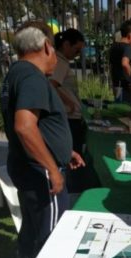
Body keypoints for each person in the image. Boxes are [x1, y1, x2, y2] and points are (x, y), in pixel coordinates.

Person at [0, 21, 85, 258]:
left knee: (33, 222)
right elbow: (25, 126)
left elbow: (39, 126)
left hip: (26, 165)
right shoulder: (31, 76)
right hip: (40, 172)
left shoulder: (16, 73)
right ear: (47, 46)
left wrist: (63, 150)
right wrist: (51, 168)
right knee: (52, 234)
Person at [50, 28, 88, 192]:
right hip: (69, 117)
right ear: (66, 44)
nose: (78, 54)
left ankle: (73, 187)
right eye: (76, 49)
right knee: (73, 156)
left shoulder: (61, 61)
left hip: (71, 116)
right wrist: (70, 103)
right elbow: (52, 86)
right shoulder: (60, 62)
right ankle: (73, 189)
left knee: (73, 154)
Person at [109, 20, 131, 107]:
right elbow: (124, 63)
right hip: (126, 87)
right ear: (130, 35)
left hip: (116, 85)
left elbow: (112, 65)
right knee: (128, 112)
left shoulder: (114, 46)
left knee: (118, 110)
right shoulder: (128, 47)